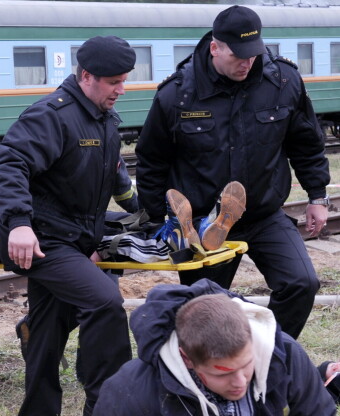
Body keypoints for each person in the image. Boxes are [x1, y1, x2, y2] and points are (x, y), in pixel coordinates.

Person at [136, 5, 331, 339]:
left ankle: (267, 359)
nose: (247, 63)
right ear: (215, 47)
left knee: (302, 283)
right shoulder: (178, 94)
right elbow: (152, 160)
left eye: (253, 54)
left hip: (263, 214)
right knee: (203, 314)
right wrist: (159, 222)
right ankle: (200, 378)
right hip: (202, 224)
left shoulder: (283, 82)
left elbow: (307, 143)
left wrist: (317, 196)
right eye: (238, 56)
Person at [0, 35, 137, 416]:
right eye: (113, 82)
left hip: (74, 238)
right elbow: (8, 162)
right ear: (86, 75)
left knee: (47, 327)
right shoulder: (53, 115)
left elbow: (108, 178)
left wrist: (142, 211)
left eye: (124, 81)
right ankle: (108, 408)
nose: (121, 90)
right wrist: (19, 223)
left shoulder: (104, 119)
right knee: (105, 301)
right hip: (42, 238)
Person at [87, 281, 339, 416]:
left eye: (247, 365)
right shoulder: (133, 392)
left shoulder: (283, 355)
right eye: (224, 373)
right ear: (187, 359)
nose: (240, 382)